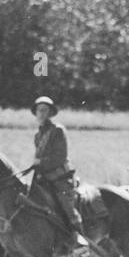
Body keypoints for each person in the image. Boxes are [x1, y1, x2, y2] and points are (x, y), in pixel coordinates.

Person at [29, 96, 88, 247]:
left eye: (44, 110)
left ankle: (79, 238)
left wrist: (41, 163)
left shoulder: (57, 131)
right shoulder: (38, 135)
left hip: (60, 177)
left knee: (66, 203)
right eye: (39, 110)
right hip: (44, 178)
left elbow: (59, 156)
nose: (41, 114)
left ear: (50, 113)